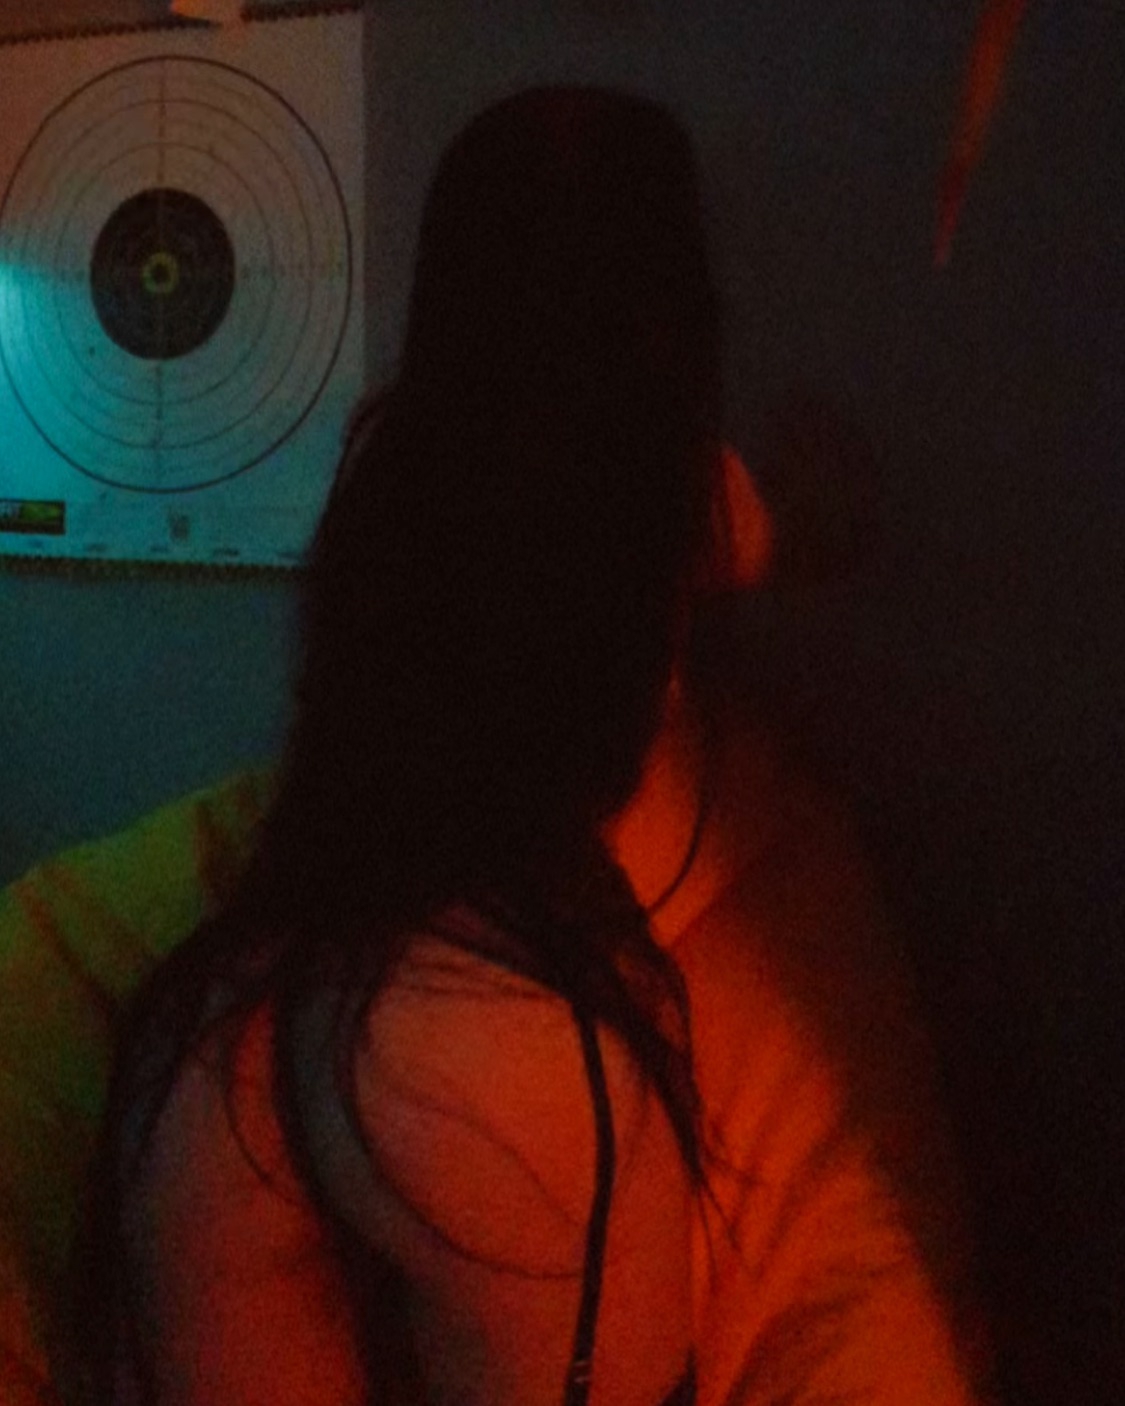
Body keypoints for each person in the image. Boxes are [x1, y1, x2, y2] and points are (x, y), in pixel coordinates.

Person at [53, 86, 985, 1406]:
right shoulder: (669, 497)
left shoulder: (385, 472)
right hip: (496, 1022)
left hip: (253, 1004)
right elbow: (798, 525)